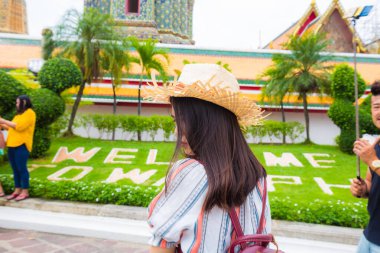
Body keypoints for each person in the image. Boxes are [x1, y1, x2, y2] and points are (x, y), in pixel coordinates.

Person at [143, 64, 270, 253]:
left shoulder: (190, 172)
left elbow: (162, 245)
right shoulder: (256, 174)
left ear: (207, 122)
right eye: (174, 120)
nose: (177, 131)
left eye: (183, 120)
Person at [351, 80, 380, 253]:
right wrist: (362, 189)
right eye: (377, 107)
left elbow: (374, 163)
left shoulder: (373, 153)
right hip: (369, 236)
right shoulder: (376, 144)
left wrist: (372, 160)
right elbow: (370, 184)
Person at [0, 95, 36, 201]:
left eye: (17, 102)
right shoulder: (18, 115)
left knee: (22, 168)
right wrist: (2, 124)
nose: (16, 105)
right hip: (12, 145)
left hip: (22, 145)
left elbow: (19, 127)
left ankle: (25, 191)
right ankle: (17, 190)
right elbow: (11, 128)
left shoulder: (30, 113)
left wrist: (3, 120)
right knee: (15, 169)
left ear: (23, 102)